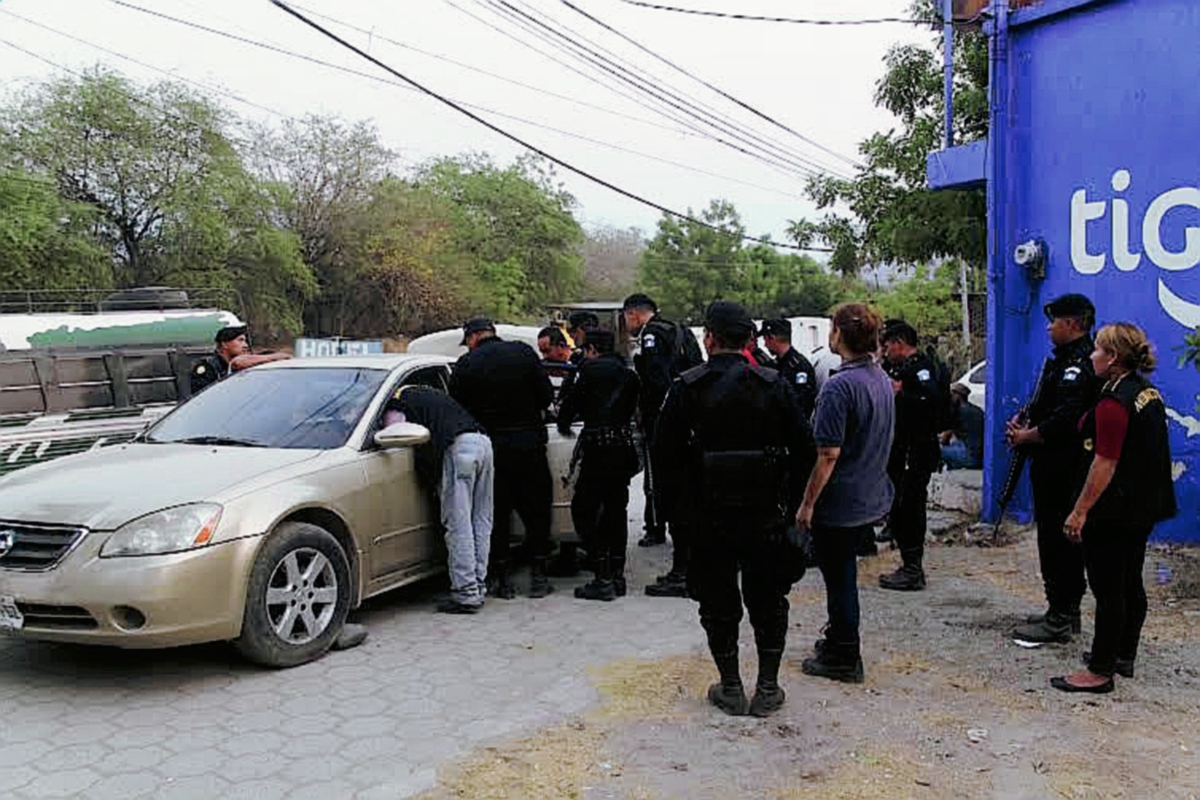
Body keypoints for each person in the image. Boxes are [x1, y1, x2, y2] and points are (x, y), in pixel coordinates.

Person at [655, 301, 815, 717]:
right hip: (765, 514)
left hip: (707, 518)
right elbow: (805, 451)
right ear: (749, 341)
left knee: (717, 602)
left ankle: (730, 685)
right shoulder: (773, 384)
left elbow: (663, 457)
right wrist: (794, 507)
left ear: (709, 339)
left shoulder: (687, 386)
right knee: (768, 599)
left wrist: (679, 518)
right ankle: (766, 687)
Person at [1051, 323, 1176, 693]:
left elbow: (1104, 462)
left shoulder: (1113, 403)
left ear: (1114, 358)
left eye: (1099, 350)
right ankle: (1124, 654)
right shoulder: (1145, 392)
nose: (1092, 355)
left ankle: (1100, 670)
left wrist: (1079, 510)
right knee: (1129, 582)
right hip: (1141, 507)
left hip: (1114, 510)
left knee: (1108, 589)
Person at [796, 303, 895, 684]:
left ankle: (844, 654)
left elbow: (827, 454)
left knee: (840, 580)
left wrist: (807, 504)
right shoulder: (879, 378)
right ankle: (837, 638)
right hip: (868, 493)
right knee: (843, 574)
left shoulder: (841, 385)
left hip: (841, 499)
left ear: (839, 333)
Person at [1009, 294, 1099, 644]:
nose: (1049, 327)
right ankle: (1063, 610)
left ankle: (1061, 616)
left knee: (1057, 539)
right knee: (1056, 538)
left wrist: (1028, 436)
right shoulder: (1064, 361)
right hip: (1054, 464)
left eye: (1055, 321)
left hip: (1063, 467)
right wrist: (1023, 421)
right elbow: (1049, 406)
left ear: (1073, 324)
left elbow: (1066, 418)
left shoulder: (1077, 365)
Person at [449, 317, 556, 599]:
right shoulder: (523, 352)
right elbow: (546, 396)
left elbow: (457, 410)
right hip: (529, 443)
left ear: (472, 338)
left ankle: (501, 578)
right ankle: (538, 577)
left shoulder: (466, 364)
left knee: (494, 513)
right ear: (492, 333)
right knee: (536, 511)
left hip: (491, 447)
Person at [383, 387, 494, 614]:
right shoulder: (430, 395)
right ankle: (478, 586)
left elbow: (393, 433)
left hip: (458, 449)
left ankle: (466, 594)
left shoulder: (397, 402)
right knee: (481, 520)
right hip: (483, 444)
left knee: (459, 524)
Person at [622, 293, 703, 598]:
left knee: (669, 493)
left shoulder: (652, 336)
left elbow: (656, 380)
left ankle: (682, 570)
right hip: (692, 424)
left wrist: (654, 416)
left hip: (667, 425)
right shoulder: (679, 330)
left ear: (634, 314)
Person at [556, 329, 640, 601]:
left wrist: (563, 422)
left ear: (591, 349)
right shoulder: (629, 374)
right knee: (617, 510)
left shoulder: (588, 371)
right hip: (623, 448)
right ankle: (617, 575)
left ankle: (601, 574)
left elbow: (569, 408)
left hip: (597, 449)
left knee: (584, 509)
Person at [878, 320, 944, 591]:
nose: (885, 350)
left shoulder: (922, 368)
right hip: (900, 448)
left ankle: (913, 568)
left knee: (911, 506)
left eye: (888, 344)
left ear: (900, 343)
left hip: (916, 450)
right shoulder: (898, 368)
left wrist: (901, 394)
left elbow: (932, 404)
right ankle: (907, 561)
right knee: (900, 505)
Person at [189, 324, 290, 395]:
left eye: (245, 341)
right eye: (240, 340)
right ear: (225, 344)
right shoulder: (207, 368)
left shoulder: (249, 362)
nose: (245, 345)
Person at [761, 318, 818, 420]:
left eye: (765, 340)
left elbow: (803, 401)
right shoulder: (776, 364)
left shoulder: (799, 366)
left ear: (772, 338)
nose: (765, 345)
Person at [941, 383, 984, 470]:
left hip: (969, 457)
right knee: (955, 443)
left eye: (952, 395)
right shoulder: (977, 410)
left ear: (958, 396)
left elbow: (945, 436)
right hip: (980, 457)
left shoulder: (958, 412)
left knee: (934, 451)